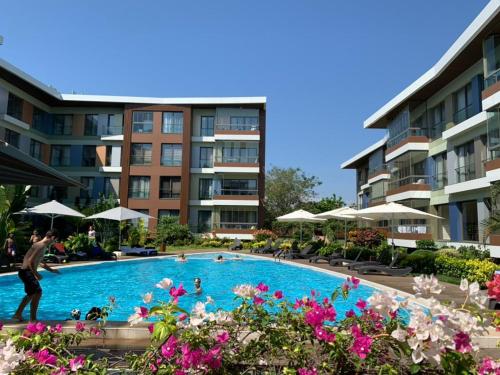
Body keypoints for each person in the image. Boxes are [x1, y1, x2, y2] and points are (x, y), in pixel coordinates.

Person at [13, 230, 60, 322]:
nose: (54, 242)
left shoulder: (41, 246)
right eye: (55, 240)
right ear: (53, 237)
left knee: (31, 294)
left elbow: (41, 263)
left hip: (25, 272)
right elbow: (30, 261)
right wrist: (36, 274)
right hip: (27, 271)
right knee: (38, 292)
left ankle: (18, 314)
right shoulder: (40, 245)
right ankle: (33, 319)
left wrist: (52, 270)